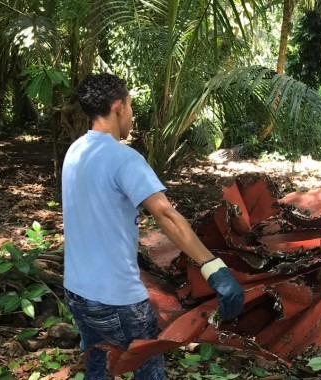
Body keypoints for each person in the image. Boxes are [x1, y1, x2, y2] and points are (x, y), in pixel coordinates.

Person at [61, 73, 245, 379]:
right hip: (117, 299)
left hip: (78, 293)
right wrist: (215, 269)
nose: (132, 115)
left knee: (99, 367)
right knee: (148, 370)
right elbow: (166, 215)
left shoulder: (76, 151)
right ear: (118, 106)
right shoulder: (123, 158)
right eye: (131, 106)